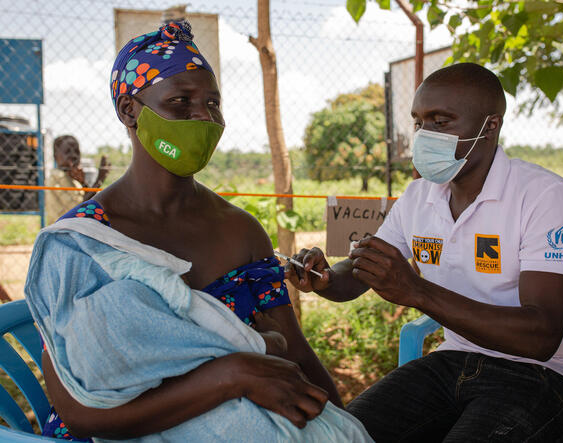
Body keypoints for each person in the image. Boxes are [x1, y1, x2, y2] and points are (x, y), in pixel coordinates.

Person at [25, 21, 370, 442]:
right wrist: (230, 376)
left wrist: (343, 428)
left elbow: (295, 353)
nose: (203, 117)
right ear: (129, 110)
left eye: (213, 102)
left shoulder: (239, 230)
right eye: (180, 101)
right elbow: (78, 413)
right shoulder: (83, 243)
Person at [286, 63, 563, 442]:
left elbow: (542, 336)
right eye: (419, 122)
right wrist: (325, 279)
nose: (424, 135)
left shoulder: (545, 196)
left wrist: (418, 292)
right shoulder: (419, 197)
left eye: (441, 121)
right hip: (453, 362)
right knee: (342, 436)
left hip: (543, 376)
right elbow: (358, 274)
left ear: (490, 126)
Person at [45, 135, 110, 224]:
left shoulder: (72, 177)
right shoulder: (57, 177)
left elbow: (88, 198)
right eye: (68, 152)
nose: (74, 156)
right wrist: (99, 180)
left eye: (77, 152)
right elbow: (79, 209)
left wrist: (83, 182)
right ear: (56, 156)